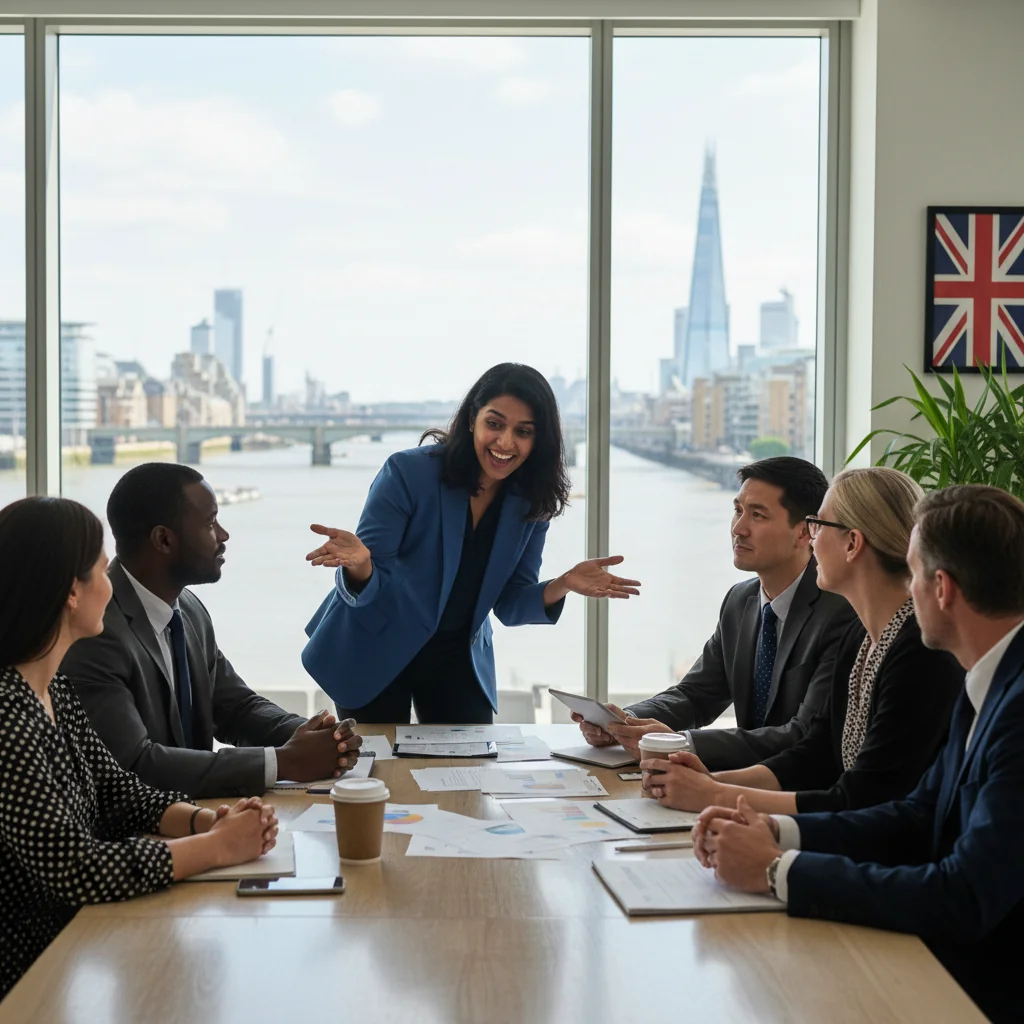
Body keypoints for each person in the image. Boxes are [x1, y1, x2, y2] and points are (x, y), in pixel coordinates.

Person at [692, 484, 1024, 1024]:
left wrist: (779, 871)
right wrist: (780, 835)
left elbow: (964, 895)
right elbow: (917, 815)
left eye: (914, 574)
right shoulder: (986, 677)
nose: (907, 590)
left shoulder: (1012, 704)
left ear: (941, 588)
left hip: (976, 990)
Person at [0, 496, 279, 999]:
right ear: (70, 591)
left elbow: (116, 792)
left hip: (75, 947)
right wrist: (216, 849)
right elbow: (77, 867)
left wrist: (204, 822)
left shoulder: (52, 690)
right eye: (104, 570)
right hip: (28, 969)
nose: (113, 584)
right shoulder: (6, 716)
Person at [302, 362, 641, 724]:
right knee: (378, 770)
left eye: (523, 431)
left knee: (471, 772)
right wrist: (360, 564)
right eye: (494, 424)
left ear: (539, 440)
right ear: (471, 420)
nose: (506, 442)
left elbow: (510, 604)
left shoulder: (532, 501)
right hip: (375, 642)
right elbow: (371, 581)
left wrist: (564, 584)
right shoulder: (408, 472)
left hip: (456, 655)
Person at [641, 467, 963, 814]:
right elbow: (816, 753)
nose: (812, 538)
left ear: (852, 543)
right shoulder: (862, 635)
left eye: (818, 526)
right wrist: (712, 782)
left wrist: (715, 796)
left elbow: (864, 798)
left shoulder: (920, 650)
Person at [61, 463, 362, 798]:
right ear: (163, 539)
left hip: (199, 818)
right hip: (140, 836)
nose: (223, 534)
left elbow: (236, 708)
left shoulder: (188, 609)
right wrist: (281, 763)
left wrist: (312, 736)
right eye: (210, 522)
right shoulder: (95, 631)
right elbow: (133, 764)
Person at [574, 457, 857, 770]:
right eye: (738, 510)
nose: (738, 528)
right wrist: (623, 722)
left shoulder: (841, 611)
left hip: (797, 793)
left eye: (758, 515)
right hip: (739, 786)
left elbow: (803, 736)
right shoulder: (741, 600)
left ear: (805, 532)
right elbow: (697, 695)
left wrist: (682, 744)